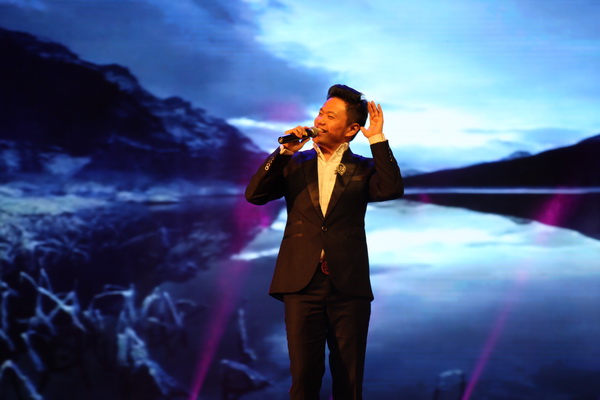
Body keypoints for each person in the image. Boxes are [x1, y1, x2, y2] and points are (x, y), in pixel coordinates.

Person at [245, 84, 404, 400]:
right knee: (304, 378)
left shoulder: (364, 167)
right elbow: (255, 195)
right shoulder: (294, 163)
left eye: (331, 116)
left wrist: (377, 139)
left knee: (349, 378)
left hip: (348, 284)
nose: (320, 120)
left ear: (351, 129)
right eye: (320, 113)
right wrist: (285, 152)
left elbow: (391, 189)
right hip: (301, 283)